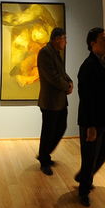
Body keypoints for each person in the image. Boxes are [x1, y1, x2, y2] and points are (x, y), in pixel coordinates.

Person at [76, 27, 105, 207]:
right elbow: (86, 99)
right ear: (93, 43)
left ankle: (84, 177)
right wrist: (91, 126)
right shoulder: (88, 66)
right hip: (93, 121)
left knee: (104, 152)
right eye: (104, 40)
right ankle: (83, 190)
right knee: (90, 157)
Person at [36, 27, 73, 175]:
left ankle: (44, 154)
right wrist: (67, 86)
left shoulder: (55, 53)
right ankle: (44, 160)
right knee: (48, 131)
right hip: (50, 101)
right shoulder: (45, 53)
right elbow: (52, 76)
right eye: (64, 39)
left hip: (59, 100)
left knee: (60, 127)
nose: (66, 42)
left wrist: (70, 82)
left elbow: (61, 73)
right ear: (57, 39)